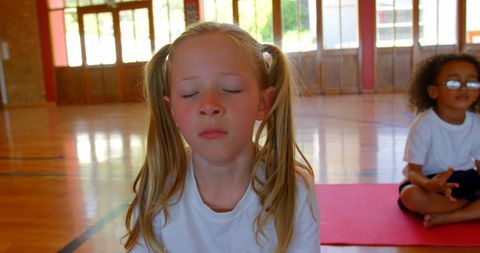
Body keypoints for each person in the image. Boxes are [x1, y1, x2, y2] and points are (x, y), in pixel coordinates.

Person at [123, 22, 320, 253]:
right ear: (171, 111)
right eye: (189, 94)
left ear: (263, 103)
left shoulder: (293, 190)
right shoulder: (156, 194)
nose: (209, 106)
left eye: (231, 89)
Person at [398, 53, 480, 228]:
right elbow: (413, 171)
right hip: (430, 182)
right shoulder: (424, 124)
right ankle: (468, 207)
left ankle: (452, 216)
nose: (464, 89)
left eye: (472, 83)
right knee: (410, 196)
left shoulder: (477, 123)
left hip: (466, 180)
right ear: (433, 91)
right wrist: (430, 185)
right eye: (453, 83)